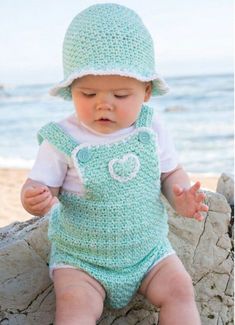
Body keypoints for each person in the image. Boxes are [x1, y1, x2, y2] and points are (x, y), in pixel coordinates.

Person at [21, 4, 208, 325]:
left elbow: (169, 174)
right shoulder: (62, 138)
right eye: (88, 93)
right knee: (75, 305)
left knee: (180, 290)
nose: (103, 104)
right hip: (82, 259)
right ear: (70, 90)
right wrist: (33, 197)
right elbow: (41, 186)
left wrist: (181, 197)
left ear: (146, 92)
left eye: (121, 95)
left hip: (149, 253)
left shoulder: (151, 129)